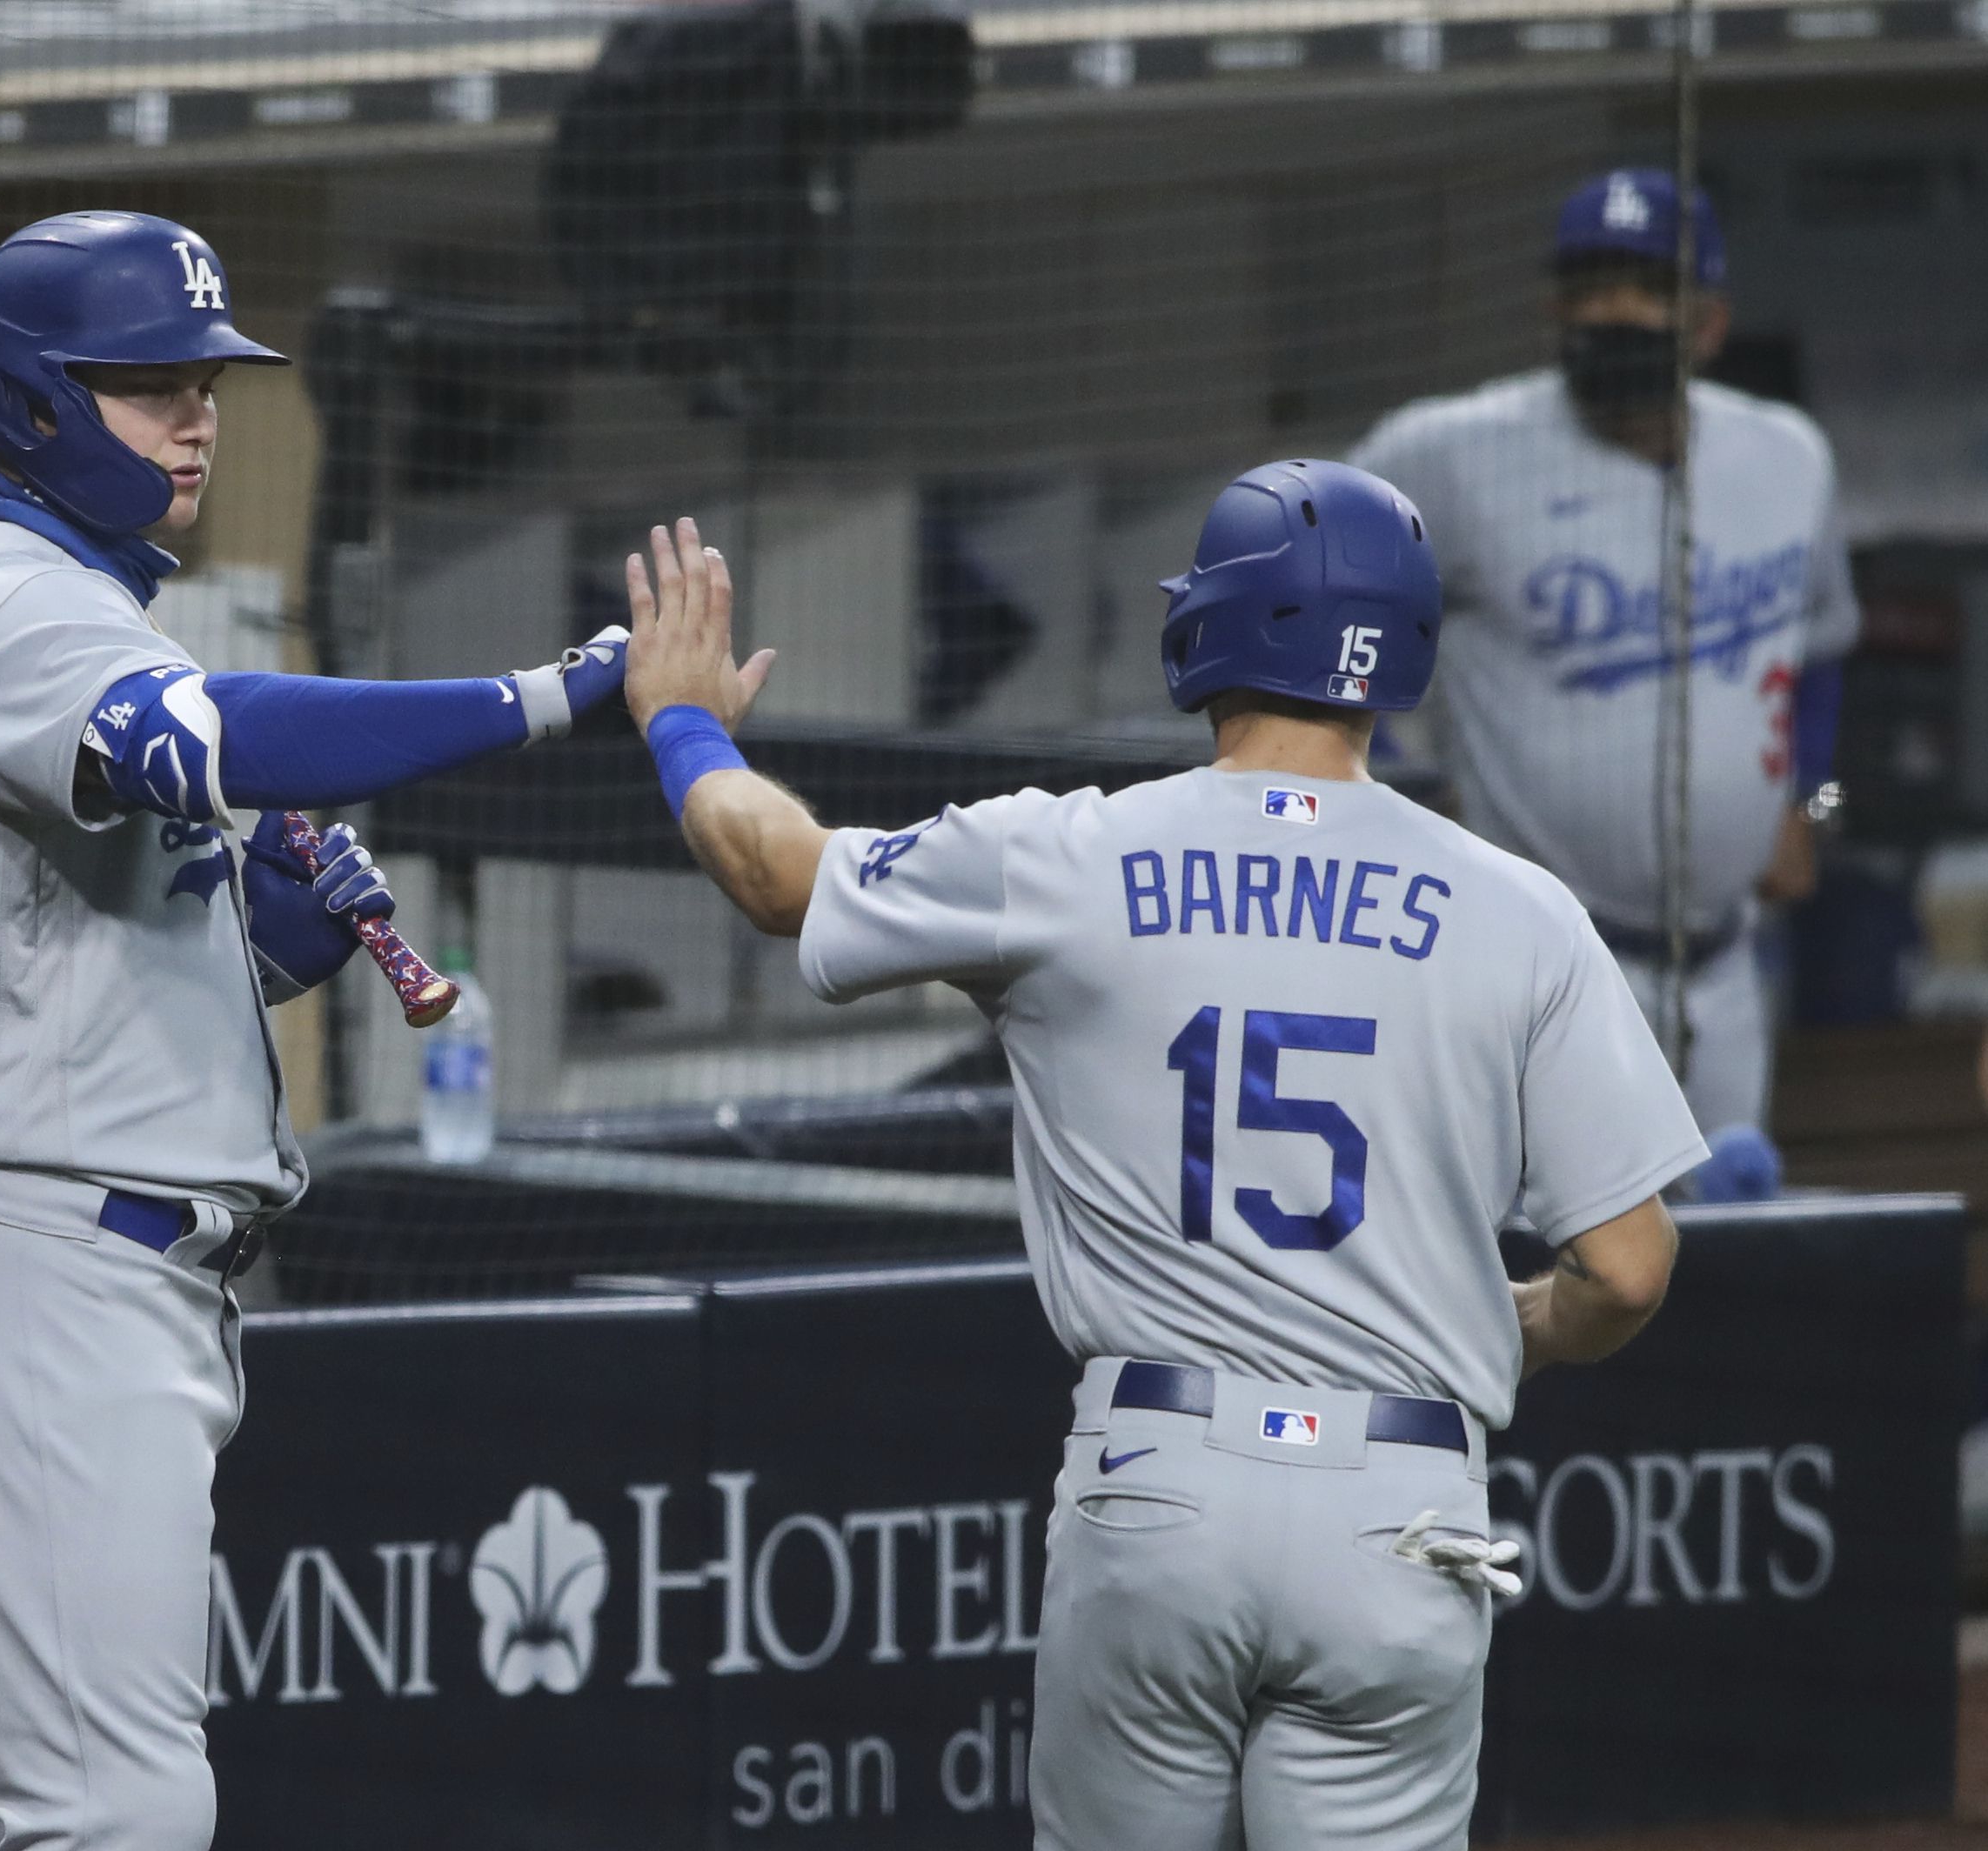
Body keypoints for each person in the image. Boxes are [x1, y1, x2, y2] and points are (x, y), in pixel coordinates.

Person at [623, 467, 1700, 1848]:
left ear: (1215, 625)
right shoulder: (1523, 912)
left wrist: (684, 729)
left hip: (1159, 1484)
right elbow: (1625, 1267)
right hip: (1402, 1499)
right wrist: (1509, 1334)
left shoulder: (1063, 857)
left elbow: (773, 873)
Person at [0, 210, 629, 1851]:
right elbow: (228, 734)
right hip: (38, 1271)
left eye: (203, 381)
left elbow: (87, 972)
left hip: (54, 1254)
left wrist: (263, 925)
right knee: (119, 1816)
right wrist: (547, 694)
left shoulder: (76, 612)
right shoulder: (23, 617)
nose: (198, 417)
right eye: (150, 386)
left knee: (18, 1813)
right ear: (44, 402)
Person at [1350, 169, 1858, 1193]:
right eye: (1585, 285)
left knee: (1715, 1288)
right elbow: (1309, 584)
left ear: (1707, 323)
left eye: (1640, 287)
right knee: (1572, 1279)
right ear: (1550, 307)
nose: (1608, 311)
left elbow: (1822, 637)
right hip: (1540, 971)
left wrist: (1810, 794)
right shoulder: (1448, 452)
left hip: (1724, 972)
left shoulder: (1786, 457)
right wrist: (1393, 790)